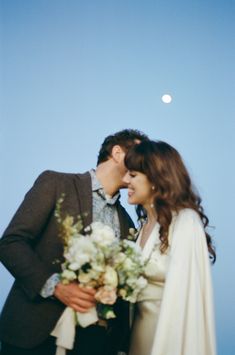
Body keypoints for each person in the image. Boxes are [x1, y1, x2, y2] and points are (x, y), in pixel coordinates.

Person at [0, 129, 149, 355]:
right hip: (35, 335)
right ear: (117, 153)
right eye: (140, 156)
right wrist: (56, 286)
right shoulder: (56, 183)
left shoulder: (128, 223)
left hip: (94, 343)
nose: (145, 165)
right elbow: (11, 243)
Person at [123, 140, 217, 355]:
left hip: (170, 339)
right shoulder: (143, 227)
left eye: (133, 174)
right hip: (136, 339)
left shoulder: (185, 221)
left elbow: (188, 297)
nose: (125, 179)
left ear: (155, 179)